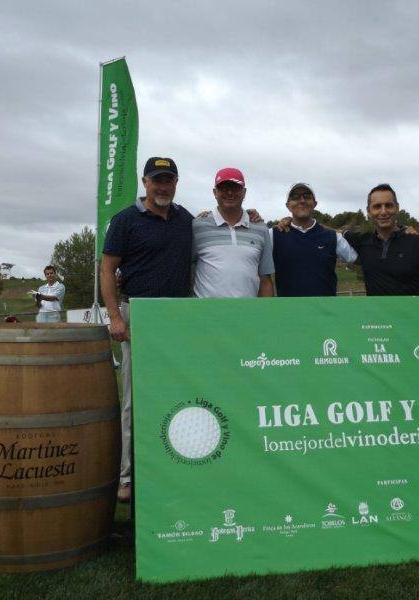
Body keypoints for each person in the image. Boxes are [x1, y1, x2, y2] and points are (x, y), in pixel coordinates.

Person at [100, 156, 193, 503]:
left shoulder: (185, 220)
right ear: (145, 182)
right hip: (139, 311)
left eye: (169, 180)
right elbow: (107, 270)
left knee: (178, 393)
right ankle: (126, 476)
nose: (163, 186)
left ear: (175, 183)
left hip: (178, 317)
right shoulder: (125, 220)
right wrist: (115, 317)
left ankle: (174, 463)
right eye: (157, 180)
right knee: (133, 399)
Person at [344, 183, 419, 296]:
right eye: (377, 206)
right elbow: (333, 233)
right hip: (376, 314)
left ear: (397, 208)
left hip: (413, 313)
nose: (383, 211)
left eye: (388, 205)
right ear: (369, 211)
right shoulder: (363, 242)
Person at [192, 167, 274, 298]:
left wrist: (266, 314)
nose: (229, 192)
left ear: (244, 192)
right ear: (214, 192)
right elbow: (186, 269)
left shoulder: (260, 228)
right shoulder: (198, 226)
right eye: (223, 187)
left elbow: (265, 280)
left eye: (235, 188)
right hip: (204, 315)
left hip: (246, 314)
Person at [271, 182, 357, 296]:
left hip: (326, 311)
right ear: (288, 205)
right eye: (295, 197)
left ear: (315, 203)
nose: (302, 200)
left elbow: (359, 260)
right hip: (288, 311)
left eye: (307, 196)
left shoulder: (333, 237)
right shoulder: (273, 235)